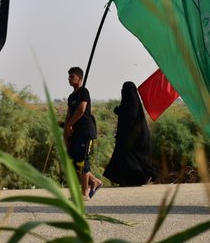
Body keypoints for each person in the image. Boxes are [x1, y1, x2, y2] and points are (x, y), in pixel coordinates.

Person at [103, 81, 156, 186]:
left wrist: (118, 110)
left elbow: (130, 115)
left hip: (135, 138)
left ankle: (137, 179)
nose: (123, 91)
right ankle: (127, 180)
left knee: (132, 159)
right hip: (128, 137)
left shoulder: (133, 102)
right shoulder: (128, 102)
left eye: (125, 89)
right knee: (125, 159)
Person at [64, 67, 102, 200]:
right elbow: (69, 114)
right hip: (75, 133)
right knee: (75, 162)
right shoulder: (71, 97)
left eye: (72, 76)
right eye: (68, 76)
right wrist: (65, 132)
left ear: (80, 78)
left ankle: (84, 193)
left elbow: (81, 110)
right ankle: (95, 181)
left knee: (82, 161)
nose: (69, 78)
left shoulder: (84, 92)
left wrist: (69, 125)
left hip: (85, 132)